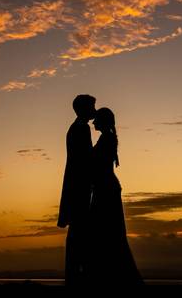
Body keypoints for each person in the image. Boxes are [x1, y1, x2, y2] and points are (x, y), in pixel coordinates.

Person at [85, 107, 144, 287]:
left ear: (103, 121)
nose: (93, 122)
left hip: (106, 189)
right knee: (107, 231)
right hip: (105, 187)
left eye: (97, 120)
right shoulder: (107, 138)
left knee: (107, 231)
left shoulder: (107, 139)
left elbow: (98, 165)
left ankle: (113, 277)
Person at [58, 94, 96, 286]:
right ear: (84, 109)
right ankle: (76, 275)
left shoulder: (75, 128)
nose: (94, 111)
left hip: (76, 184)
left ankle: (75, 273)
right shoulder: (81, 129)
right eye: (92, 106)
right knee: (79, 229)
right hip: (79, 185)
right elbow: (86, 158)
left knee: (78, 230)